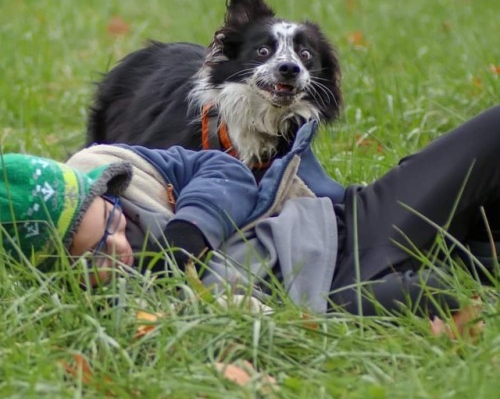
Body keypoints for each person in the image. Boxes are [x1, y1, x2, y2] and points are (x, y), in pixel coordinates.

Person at [1, 106, 499, 317]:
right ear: (54, 270)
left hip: (345, 217)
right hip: (329, 289)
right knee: (436, 295)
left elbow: (224, 170)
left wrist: (188, 233)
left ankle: (466, 243)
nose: (120, 248)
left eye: (111, 224)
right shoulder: (104, 309)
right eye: (95, 255)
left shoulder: (111, 166)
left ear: (102, 193)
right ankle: (462, 252)